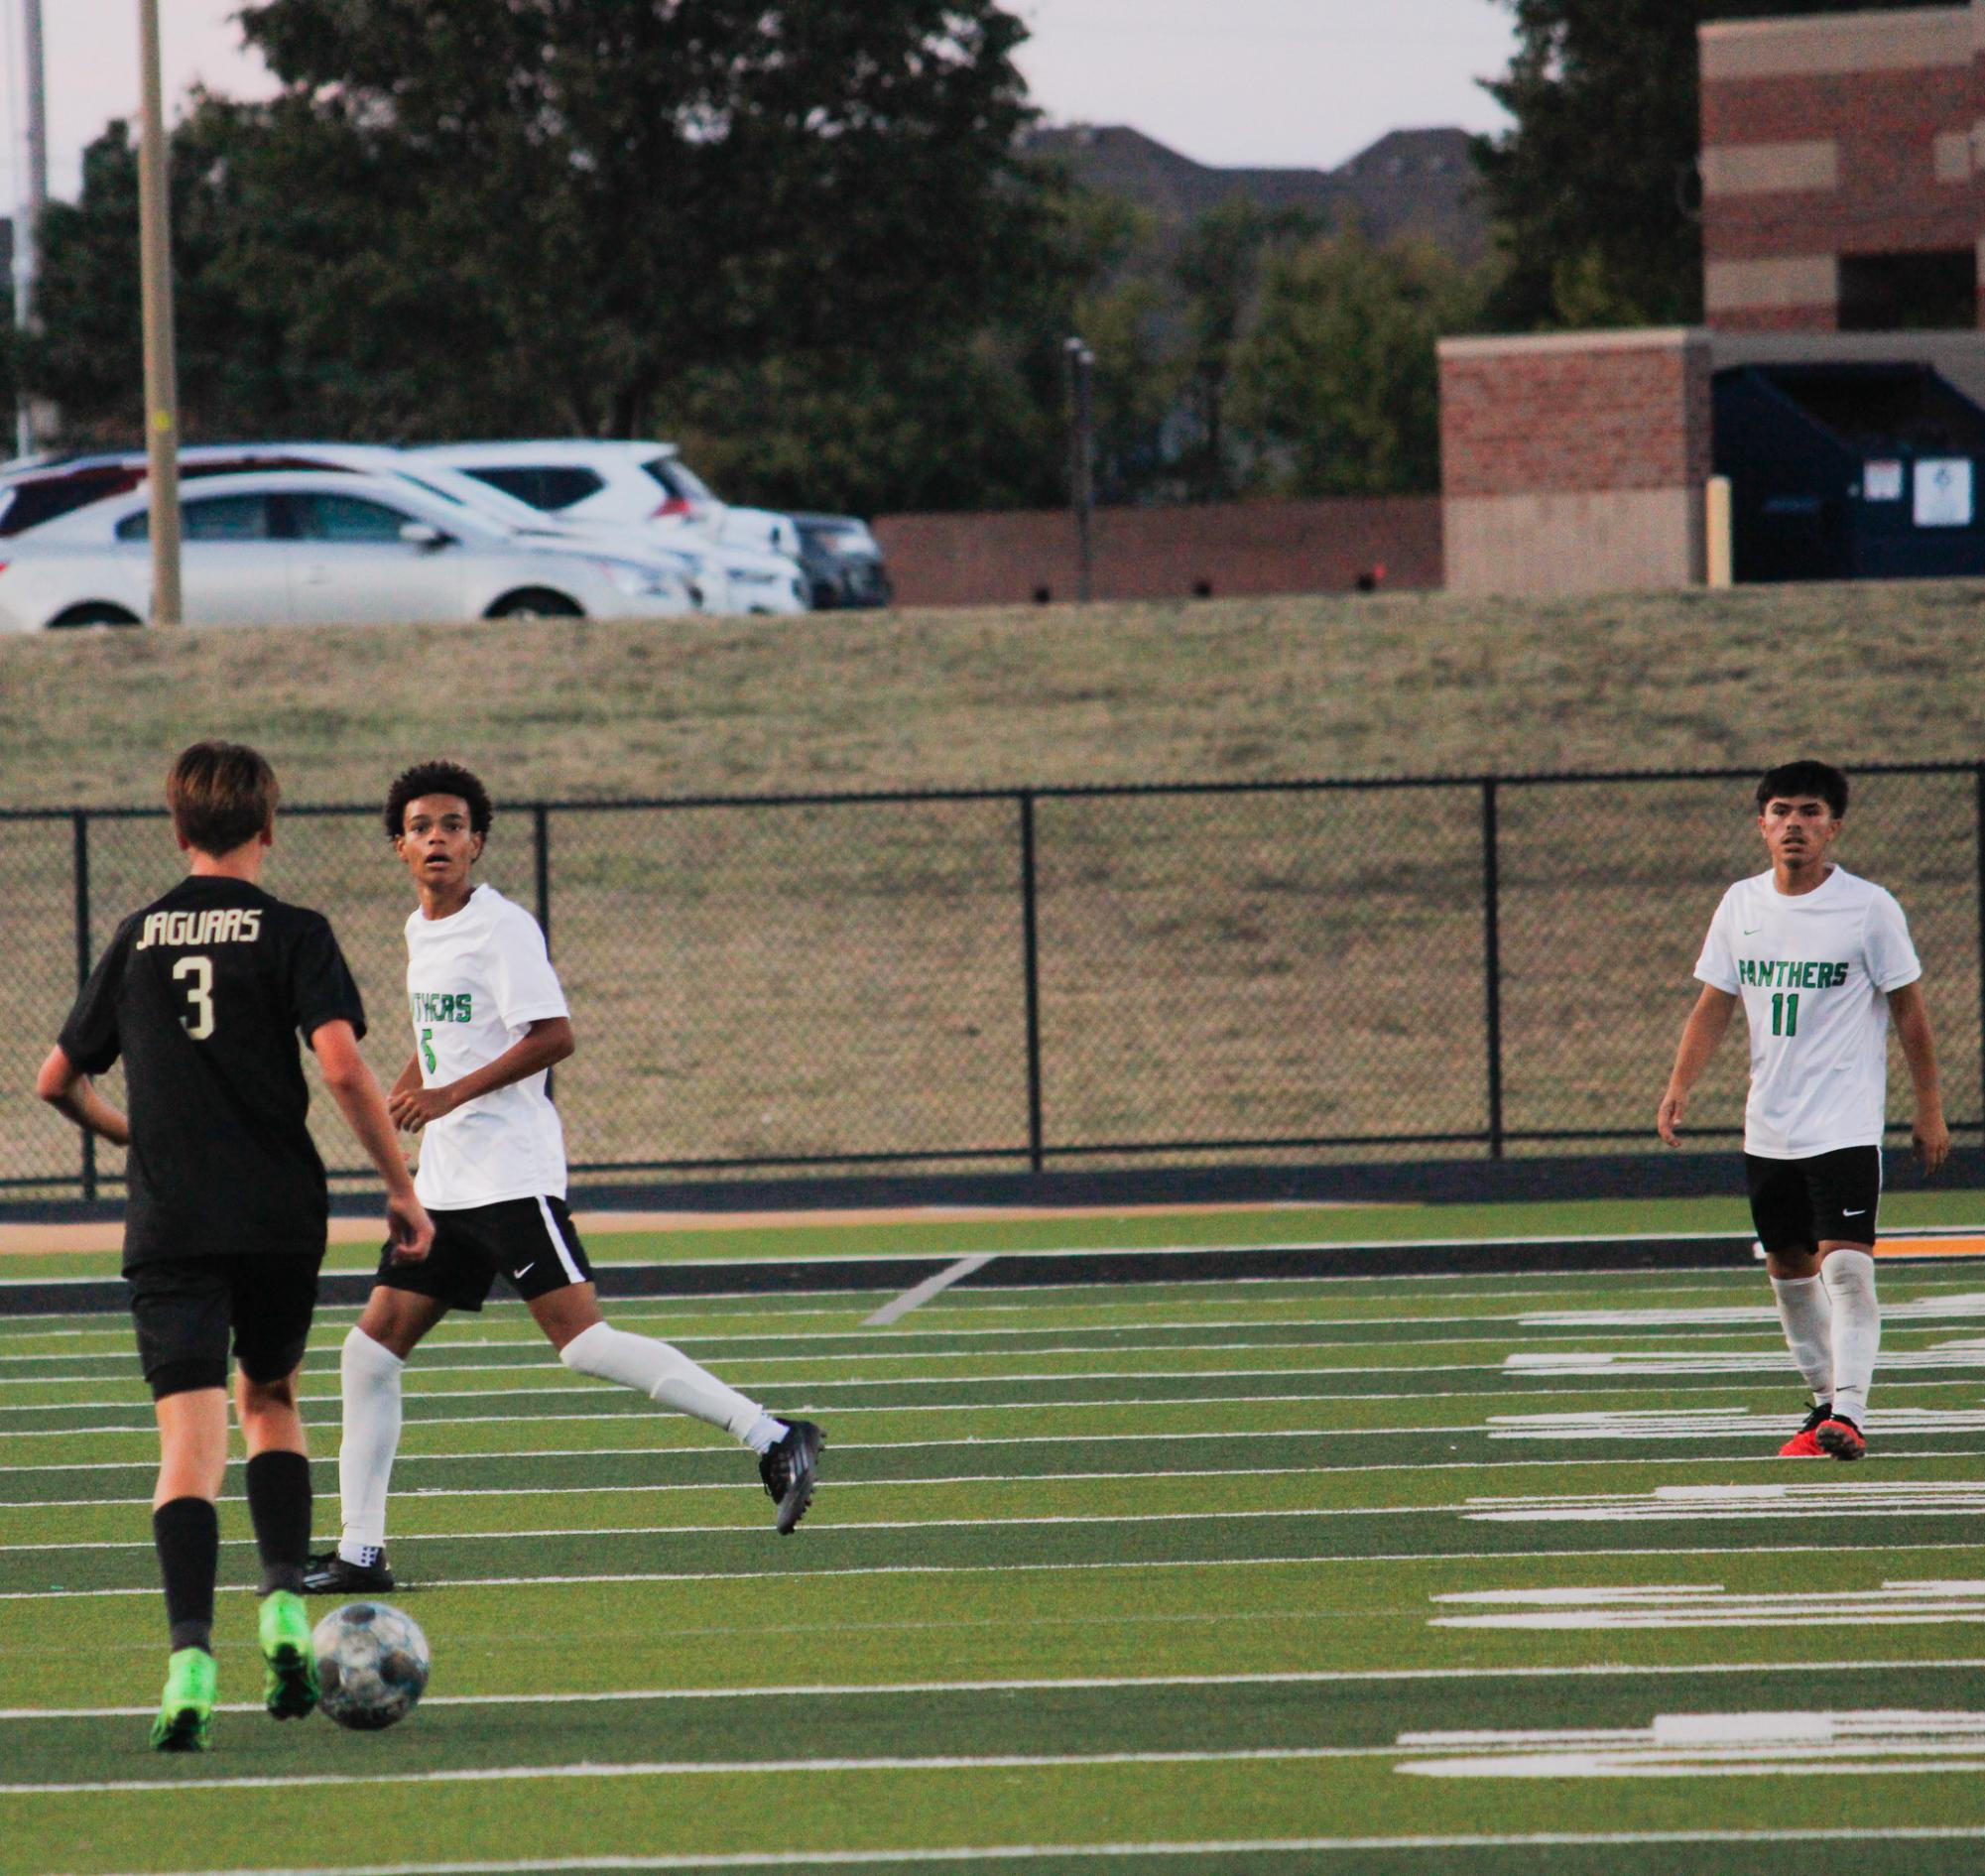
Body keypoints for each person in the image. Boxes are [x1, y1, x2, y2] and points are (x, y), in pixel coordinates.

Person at [305, 759, 820, 1596]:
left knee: (581, 1344)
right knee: (368, 1353)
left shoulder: (502, 926)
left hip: (509, 1176)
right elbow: (450, 1031)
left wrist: (449, 1092)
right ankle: (361, 1552)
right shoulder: (418, 929)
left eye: (453, 825)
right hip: (445, 1187)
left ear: (476, 841)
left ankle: (770, 1434)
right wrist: (416, 1080)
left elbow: (551, 1034)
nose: (437, 838)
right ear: (398, 845)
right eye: (421, 826)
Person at [36, 742, 433, 1752]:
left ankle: (188, 1662)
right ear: (269, 826)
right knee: (273, 1397)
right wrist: (398, 1185)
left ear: (177, 831)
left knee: (186, 1449)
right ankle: (285, 1610)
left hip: (170, 1218)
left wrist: (137, 1136)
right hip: (275, 1213)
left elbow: (53, 1079)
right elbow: (342, 1066)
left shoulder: (136, 935)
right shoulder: (296, 930)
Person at [1658, 759, 1949, 1461]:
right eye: (1781, 810)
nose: (1795, 823)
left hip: (1842, 1124)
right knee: (1788, 1270)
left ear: (1834, 826)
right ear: (1760, 824)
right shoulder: (1740, 905)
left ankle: (1851, 1412)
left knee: (1845, 1268)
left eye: (1810, 811)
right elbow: (1712, 1004)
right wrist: (1678, 1085)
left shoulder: (1868, 907)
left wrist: (1929, 1106)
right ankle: (1823, 1407)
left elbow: (1908, 1011)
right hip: (1769, 1124)